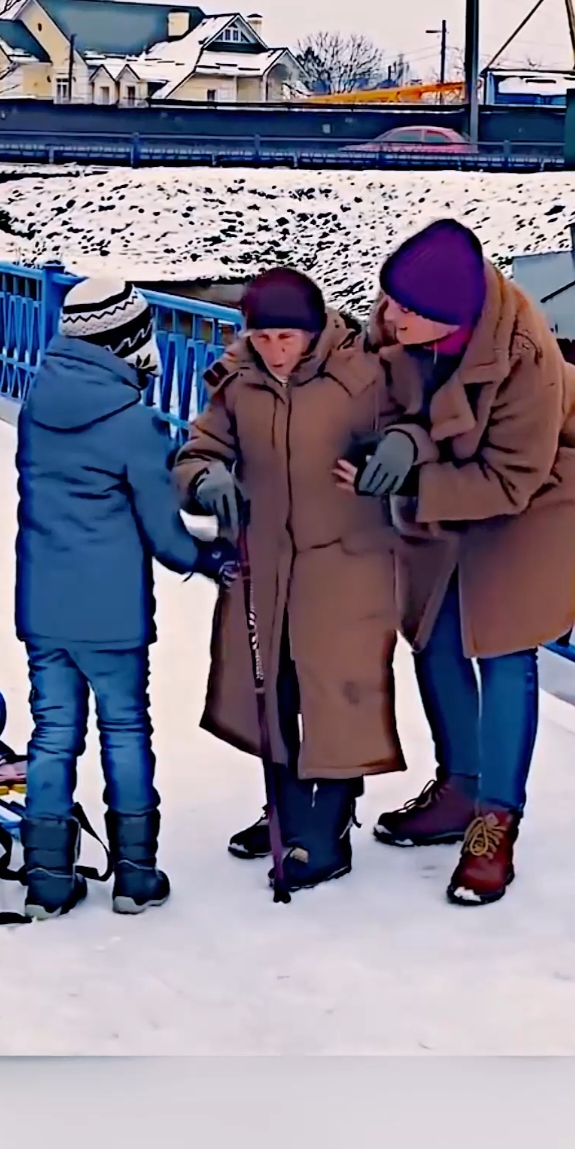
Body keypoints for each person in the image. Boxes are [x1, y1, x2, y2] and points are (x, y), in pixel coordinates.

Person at [335, 220, 575, 906]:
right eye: (386, 300)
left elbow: (512, 477)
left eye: (402, 310)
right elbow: (383, 394)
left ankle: (495, 823)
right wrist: (403, 439)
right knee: (432, 631)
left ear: (448, 319)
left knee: (504, 647)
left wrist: (414, 481)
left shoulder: (526, 361)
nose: (385, 317)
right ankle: (460, 784)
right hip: (446, 479)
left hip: (529, 498)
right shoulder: (403, 320)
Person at [173, 267, 409, 893]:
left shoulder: (362, 374)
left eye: (289, 338)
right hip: (265, 561)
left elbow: (414, 424)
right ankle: (284, 810)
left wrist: (402, 449)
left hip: (348, 562)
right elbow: (199, 449)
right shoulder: (237, 380)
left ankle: (327, 828)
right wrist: (205, 478)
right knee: (271, 687)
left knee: (336, 692)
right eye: (265, 337)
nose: (277, 351)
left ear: (315, 332)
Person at [15, 277, 237, 921]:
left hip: (44, 605)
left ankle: (47, 881)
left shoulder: (36, 403)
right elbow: (165, 535)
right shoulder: (131, 424)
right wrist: (207, 556)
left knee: (53, 738)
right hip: (110, 615)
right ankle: (136, 878)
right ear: (127, 341)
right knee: (124, 733)